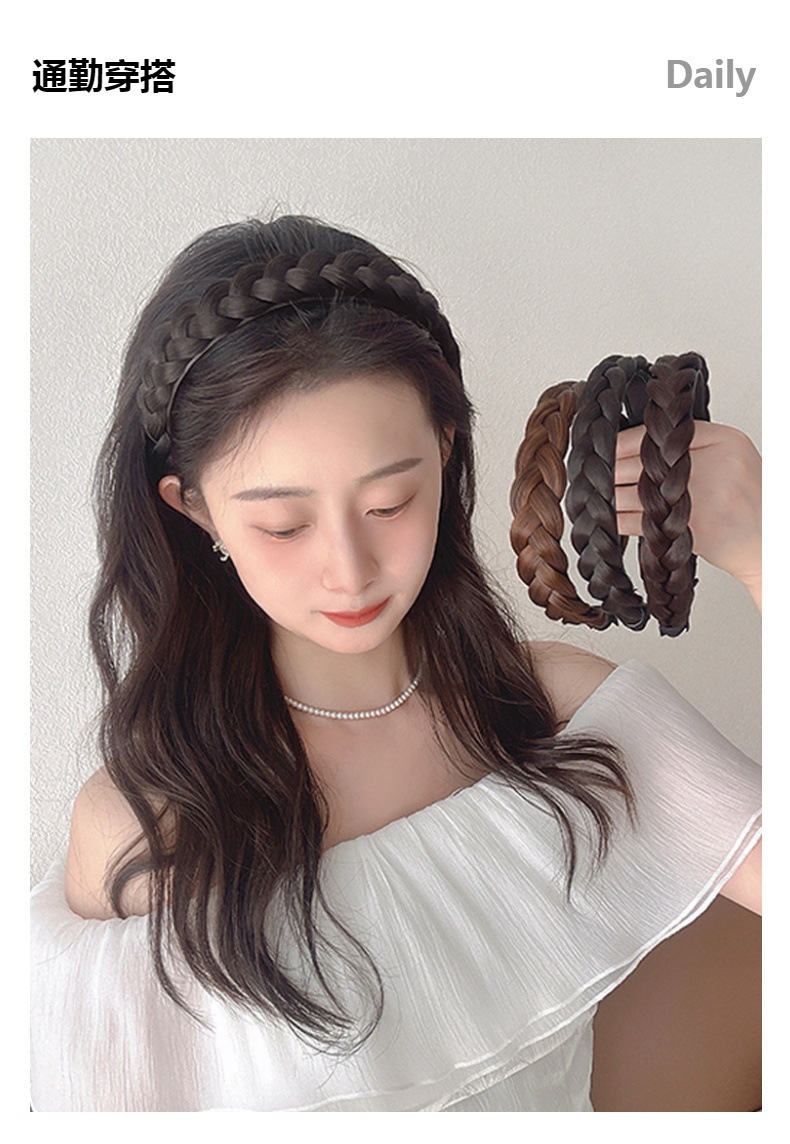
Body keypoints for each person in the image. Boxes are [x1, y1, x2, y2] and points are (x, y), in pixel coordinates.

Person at [30, 215, 762, 1112]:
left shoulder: (557, 714)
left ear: (446, 451)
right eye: (284, 525)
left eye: (388, 503)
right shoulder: (152, 826)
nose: (350, 569)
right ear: (195, 510)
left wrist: (765, 553)